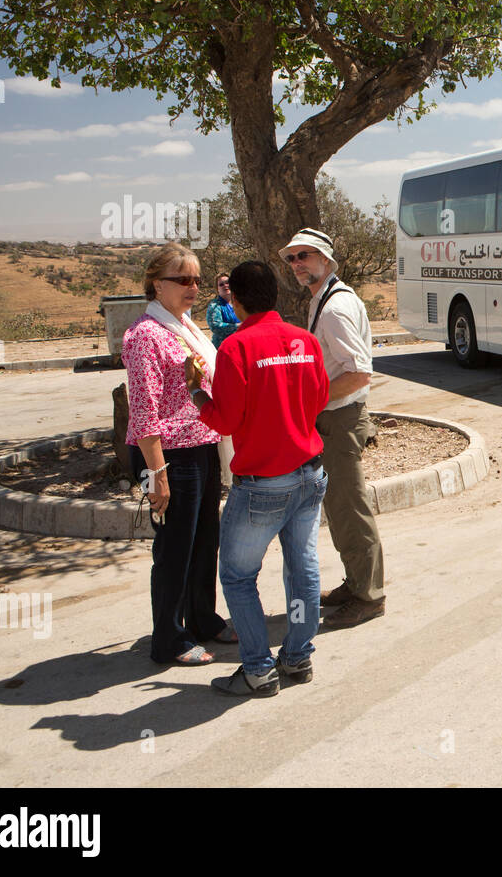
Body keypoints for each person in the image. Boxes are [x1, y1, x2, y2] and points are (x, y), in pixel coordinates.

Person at [187, 260, 330, 696]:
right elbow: (320, 397)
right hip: (310, 476)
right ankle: (297, 657)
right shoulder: (304, 341)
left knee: (236, 575)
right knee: (303, 568)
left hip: (263, 484)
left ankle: (257, 669)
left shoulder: (236, 348)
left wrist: (197, 392)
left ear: (236, 298)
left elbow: (225, 420)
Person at [121, 242, 235, 666]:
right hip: (166, 457)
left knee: (205, 540)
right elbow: (145, 412)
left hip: (201, 447)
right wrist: (158, 476)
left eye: (197, 280)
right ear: (156, 283)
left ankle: (202, 619)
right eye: (182, 279)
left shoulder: (184, 326)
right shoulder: (144, 336)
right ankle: (168, 638)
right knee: (174, 548)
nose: (193, 287)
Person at [278, 228, 387, 629]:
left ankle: (368, 596)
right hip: (334, 417)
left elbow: (359, 373)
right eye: (291, 258)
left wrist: (310, 402)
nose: (297, 264)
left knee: (348, 507)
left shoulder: (334, 307)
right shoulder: (324, 299)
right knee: (339, 507)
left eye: (304, 255)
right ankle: (357, 582)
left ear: (326, 259)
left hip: (340, 419)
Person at [206, 274, 239, 347]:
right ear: (217, 289)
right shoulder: (214, 305)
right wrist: (238, 326)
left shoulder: (240, 303)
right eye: (221, 284)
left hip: (239, 345)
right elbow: (215, 326)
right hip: (222, 348)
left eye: (227, 282)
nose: (225, 286)